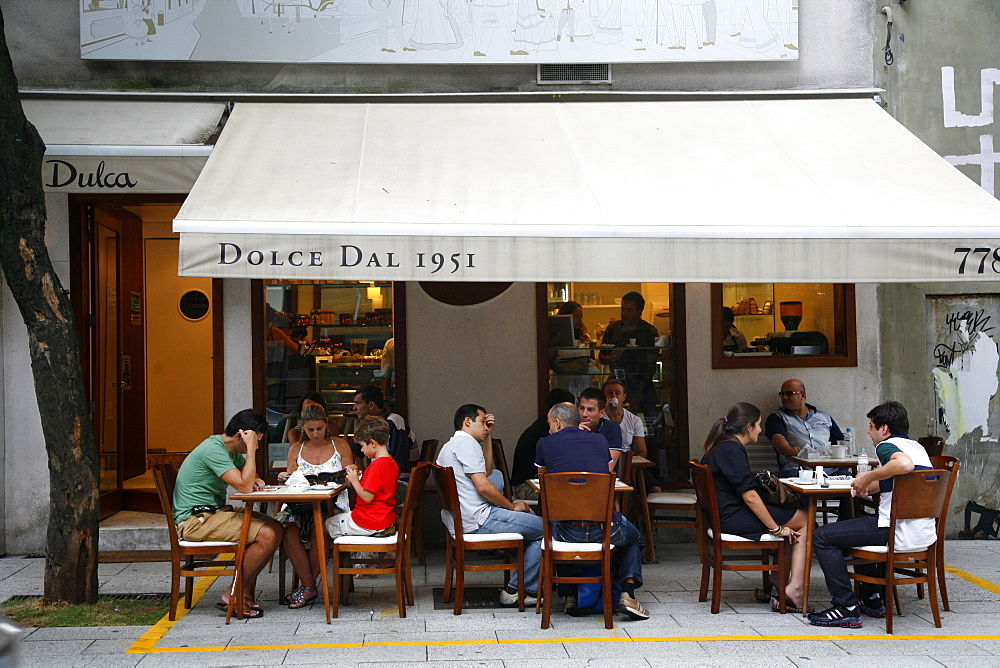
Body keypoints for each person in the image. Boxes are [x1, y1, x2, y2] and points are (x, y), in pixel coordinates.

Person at [808, 401, 936, 629]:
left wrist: (867, 477)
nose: (868, 431)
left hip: (893, 528)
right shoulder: (916, 447)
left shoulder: (886, 447)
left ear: (884, 429)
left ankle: (845, 607)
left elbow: (904, 466)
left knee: (822, 536)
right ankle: (871, 599)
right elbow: (901, 479)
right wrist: (871, 486)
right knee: (855, 527)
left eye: (871, 426)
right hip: (921, 531)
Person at [535, 402, 651, 621]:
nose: (549, 428)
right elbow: (601, 470)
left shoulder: (544, 443)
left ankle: (570, 595)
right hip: (604, 529)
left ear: (558, 423)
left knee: (555, 522)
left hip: (565, 533)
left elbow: (543, 479)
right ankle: (627, 593)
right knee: (634, 537)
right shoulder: (600, 440)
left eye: (550, 424)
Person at [172, 409, 283, 618]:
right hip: (195, 520)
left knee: (277, 528)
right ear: (242, 436)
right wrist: (251, 451)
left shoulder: (228, 450)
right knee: (266, 535)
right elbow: (243, 486)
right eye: (255, 441)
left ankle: (241, 592)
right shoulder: (213, 450)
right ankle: (234, 593)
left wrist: (257, 478)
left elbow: (249, 477)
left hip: (213, 513)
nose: (257, 446)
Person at [700, 402, 810, 613]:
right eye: (758, 425)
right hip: (732, 517)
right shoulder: (731, 450)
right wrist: (776, 529)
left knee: (795, 519)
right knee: (804, 519)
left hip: (726, 513)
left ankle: (781, 576)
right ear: (748, 427)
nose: (761, 430)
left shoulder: (723, 445)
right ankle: (794, 588)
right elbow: (749, 496)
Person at [436, 404, 544, 607]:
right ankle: (517, 590)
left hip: (465, 517)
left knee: (534, 525)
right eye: (483, 422)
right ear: (468, 422)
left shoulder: (454, 444)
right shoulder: (465, 444)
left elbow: (486, 471)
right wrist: (510, 506)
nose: (487, 426)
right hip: (479, 518)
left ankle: (526, 585)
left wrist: (487, 437)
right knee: (546, 529)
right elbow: (484, 486)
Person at [276, 403, 355, 608]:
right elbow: (291, 479)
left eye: (319, 429)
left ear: (327, 425)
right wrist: (284, 477)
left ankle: (306, 588)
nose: (315, 433)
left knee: (321, 529)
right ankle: (310, 586)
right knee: (287, 530)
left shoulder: (341, 446)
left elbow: (350, 474)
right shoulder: (296, 449)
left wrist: (351, 470)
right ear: (302, 427)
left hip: (332, 503)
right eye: (310, 430)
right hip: (300, 504)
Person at [326, 416, 400, 539]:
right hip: (384, 518)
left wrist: (355, 481)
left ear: (372, 443)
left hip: (368, 520)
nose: (362, 450)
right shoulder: (391, 463)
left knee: (325, 525)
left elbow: (367, 497)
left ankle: (335, 557)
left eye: (362, 445)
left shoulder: (376, 466)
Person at [598, 291, 660, 422]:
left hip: (642, 384)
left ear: (639, 311)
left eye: (629, 310)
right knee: (612, 422)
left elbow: (650, 366)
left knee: (652, 423)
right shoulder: (613, 329)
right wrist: (612, 357)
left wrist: (639, 392)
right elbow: (602, 358)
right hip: (616, 383)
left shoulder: (649, 331)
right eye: (623, 309)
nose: (624, 314)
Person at [764, 379, 845, 479]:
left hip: (828, 469)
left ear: (802, 395)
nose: (784, 397)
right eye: (782, 394)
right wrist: (789, 450)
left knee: (850, 479)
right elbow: (777, 439)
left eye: (789, 393)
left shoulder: (824, 417)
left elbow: (840, 442)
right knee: (796, 481)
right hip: (796, 468)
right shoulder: (778, 418)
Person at [510, 388, 576, 501]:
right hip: (526, 488)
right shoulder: (547, 433)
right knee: (573, 495)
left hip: (527, 484)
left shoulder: (541, 425)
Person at [603, 378, 661, 493]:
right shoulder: (598, 419)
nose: (613, 396)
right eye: (610, 393)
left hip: (630, 466)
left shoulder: (634, 420)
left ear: (624, 397)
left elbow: (642, 452)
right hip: (606, 465)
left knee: (655, 489)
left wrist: (626, 462)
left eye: (617, 393)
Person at [352, 385, 417, 474]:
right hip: (382, 476)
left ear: (371, 405)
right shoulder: (369, 424)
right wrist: (360, 465)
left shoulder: (394, 421)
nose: (354, 408)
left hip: (399, 480)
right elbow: (354, 450)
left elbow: (399, 463)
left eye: (358, 403)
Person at [549, 301, 595, 400]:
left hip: (582, 383)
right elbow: (549, 360)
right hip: (563, 383)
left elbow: (591, 359)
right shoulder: (557, 338)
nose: (579, 320)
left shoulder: (585, 337)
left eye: (581, 316)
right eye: (576, 316)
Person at [578, 387, 623, 473]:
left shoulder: (611, 428)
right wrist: (578, 434)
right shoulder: (571, 427)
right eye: (581, 408)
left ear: (601, 413)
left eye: (590, 410)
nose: (584, 414)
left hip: (601, 481)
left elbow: (607, 467)